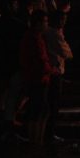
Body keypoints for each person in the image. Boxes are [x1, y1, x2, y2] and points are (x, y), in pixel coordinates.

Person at [19, 10, 54, 143]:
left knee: (41, 109)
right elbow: (39, 61)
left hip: (39, 78)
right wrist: (51, 70)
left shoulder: (36, 37)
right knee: (38, 110)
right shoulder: (34, 39)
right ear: (38, 23)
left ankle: (37, 139)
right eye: (45, 21)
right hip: (37, 79)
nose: (47, 24)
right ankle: (35, 139)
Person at [44, 10, 72, 143]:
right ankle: (49, 133)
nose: (64, 22)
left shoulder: (48, 32)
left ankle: (47, 133)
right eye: (63, 20)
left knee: (50, 103)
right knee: (53, 103)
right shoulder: (54, 34)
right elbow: (67, 53)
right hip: (55, 70)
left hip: (51, 70)